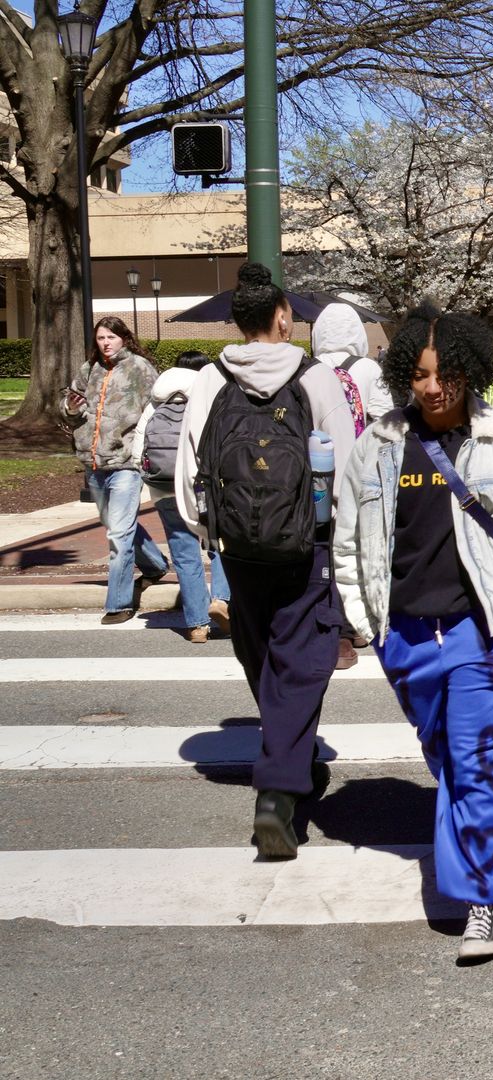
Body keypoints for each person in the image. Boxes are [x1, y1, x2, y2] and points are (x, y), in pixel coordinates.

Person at [333, 305, 493, 963]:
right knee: (448, 760)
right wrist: (367, 628)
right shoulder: (376, 446)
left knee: (472, 765)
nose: (434, 386)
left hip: (484, 635)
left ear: (471, 371)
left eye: (445, 373)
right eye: (419, 374)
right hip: (407, 642)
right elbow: (347, 544)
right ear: (402, 376)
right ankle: (474, 858)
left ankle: (482, 898)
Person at [173, 261, 358, 858]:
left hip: (238, 549)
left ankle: (294, 758)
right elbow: (349, 467)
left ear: (235, 320)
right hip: (306, 545)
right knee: (302, 660)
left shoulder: (208, 380)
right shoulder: (316, 378)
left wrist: (212, 532)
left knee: (261, 655)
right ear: (284, 317)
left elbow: (190, 472)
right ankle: (277, 793)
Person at [63, 316, 166, 625]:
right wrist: (69, 407)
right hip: (93, 462)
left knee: (118, 534)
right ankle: (155, 565)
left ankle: (119, 602)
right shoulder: (89, 369)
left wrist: (142, 447)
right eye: (100, 338)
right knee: (117, 525)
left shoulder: (140, 369)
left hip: (125, 463)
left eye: (110, 337)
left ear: (124, 338)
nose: (105, 343)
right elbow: (68, 407)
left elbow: (159, 410)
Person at [134, 350, 230, 643]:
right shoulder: (209, 397)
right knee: (220, 545)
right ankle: (221, 600)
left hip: (163, 488)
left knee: (185, 555)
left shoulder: (155, 403)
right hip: (201, 487)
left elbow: (139, 450)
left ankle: (197, 625)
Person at [313, 302, 395, 422]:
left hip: (316, 439)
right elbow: (385, 417)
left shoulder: (309, 368)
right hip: (356, 439)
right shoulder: (369, 367)